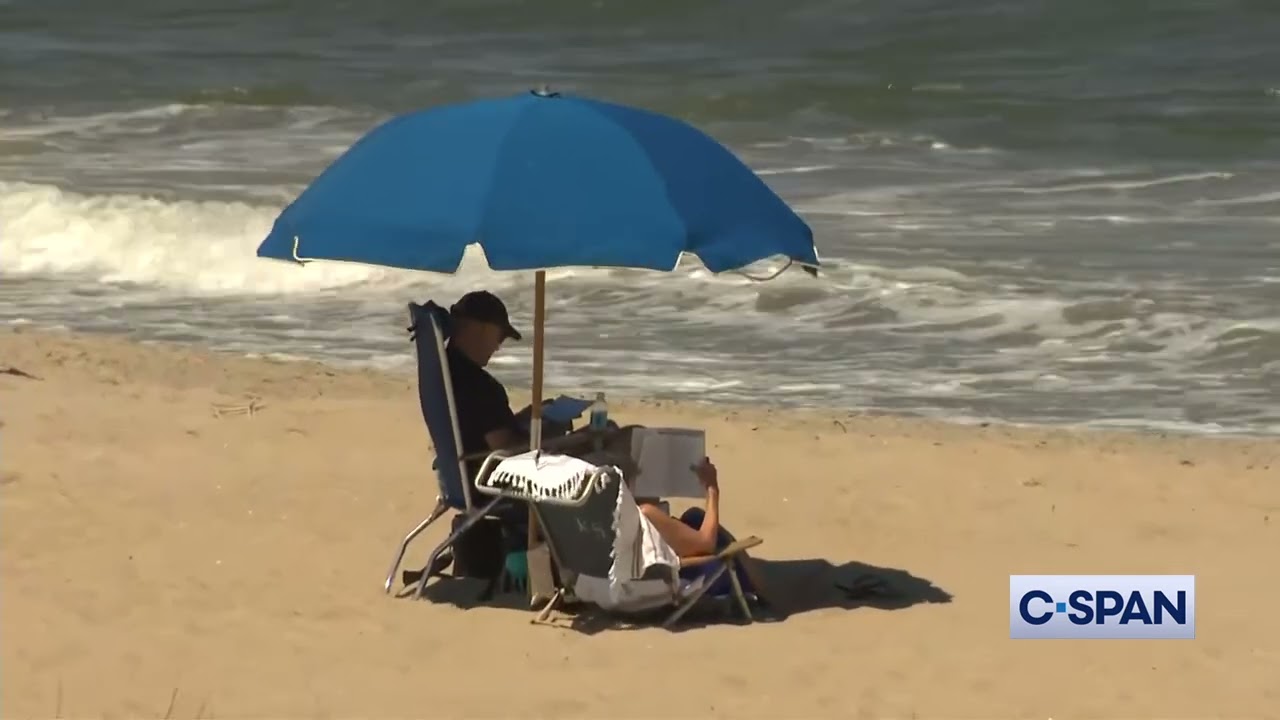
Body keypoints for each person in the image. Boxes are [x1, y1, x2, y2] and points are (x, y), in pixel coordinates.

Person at [632, 457, 769, 600]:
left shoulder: (617, 512)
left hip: (646, 569)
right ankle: (751, 583)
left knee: (694, 517)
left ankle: (750, 576)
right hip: (692, 577)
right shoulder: (645, 515)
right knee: (698, 520)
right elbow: (707, 542)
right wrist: (712, 488)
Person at [445, 290, 527, 477]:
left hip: (463, 476)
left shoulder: (446, 372)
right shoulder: (480, 387)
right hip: (493, 487)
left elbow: (484, 424)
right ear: (480, 329)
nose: (498, 346)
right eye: (500, 337)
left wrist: (528, 417)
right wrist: (547, 436)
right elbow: (508, 451)